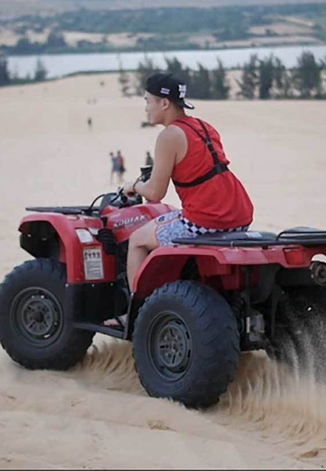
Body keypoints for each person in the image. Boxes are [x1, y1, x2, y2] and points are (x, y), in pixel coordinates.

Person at [105, 73, 254, 328]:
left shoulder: (168, 136)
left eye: (147, 100)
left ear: (164, 103)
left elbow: (155, 193)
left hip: (207, 220)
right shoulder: (205, 127)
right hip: (239, 214)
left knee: (138, 241)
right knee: (171, 217)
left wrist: (133, 186)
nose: (145, 107)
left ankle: (136, 315)